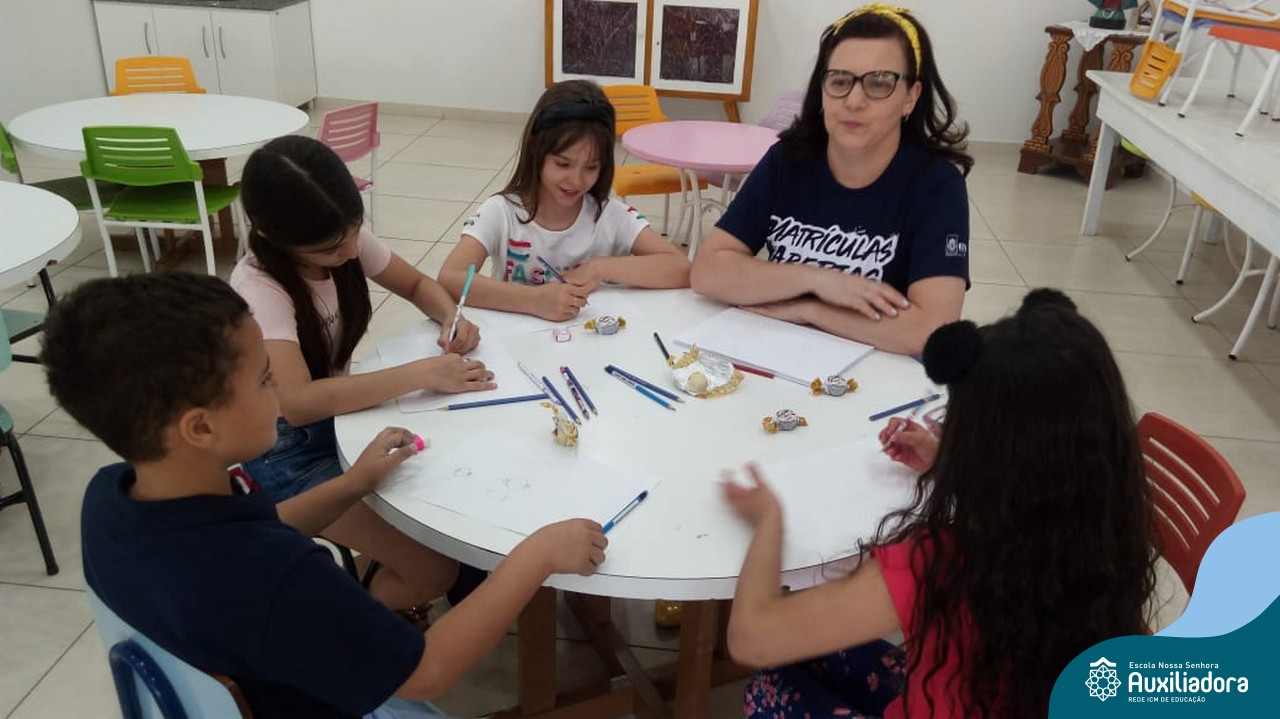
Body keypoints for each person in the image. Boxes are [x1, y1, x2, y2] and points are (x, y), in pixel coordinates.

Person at [45, 273, 608, 718]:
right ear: (201, 427)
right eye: (264, 380)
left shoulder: (109, 499)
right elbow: (428, 671)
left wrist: (352, 484)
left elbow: (257, 529)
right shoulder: (276, 579)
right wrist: (536, 555)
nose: (280, 391)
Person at [721, 288, 1158, 718]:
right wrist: (948, 461)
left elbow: (751, 639)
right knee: (815, 654)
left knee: (767, 687)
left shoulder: (940, 566)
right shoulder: (1108, 537)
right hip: (1013, 694)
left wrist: (768, 520)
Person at [230, 134, 496, 622]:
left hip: (340, 418)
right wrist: (420, 373)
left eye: (356, 232)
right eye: (334, 248)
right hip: (284, 452)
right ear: (271, 237)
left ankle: (362, 589)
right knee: (432, 569)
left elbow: (414, 283)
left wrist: (450, 317)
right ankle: (340, 627)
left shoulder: (340, 233)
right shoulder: (259, 288)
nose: (353, 250)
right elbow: (299, 403)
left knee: (449, 497)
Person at [690, 3, 973, 356]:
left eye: (879, 83)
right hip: (780, 356)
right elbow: (707, 273)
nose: (854, 101)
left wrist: (812, 309)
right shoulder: (788, 160)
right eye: (840, 81)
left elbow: (934, 330)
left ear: (910, 97)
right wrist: (816, 280)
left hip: (878, 371)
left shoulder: (936, 185)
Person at [439, 79, 690, 321]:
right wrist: (533, 300)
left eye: (591, 167)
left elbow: (682, 268)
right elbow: (450, 278)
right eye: (563, 164)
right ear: (535, 149)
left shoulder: (610, 215)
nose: (576, 181)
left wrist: (600, 268)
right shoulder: (501, 212)